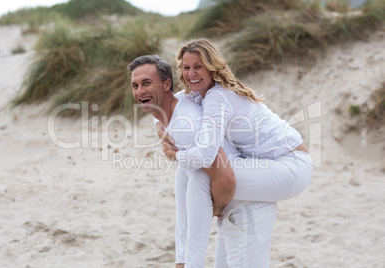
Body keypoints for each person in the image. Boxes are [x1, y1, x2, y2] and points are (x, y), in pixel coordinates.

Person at [158, 38, 313, 267]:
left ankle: (190, 263)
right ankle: (185, 258)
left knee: (199, 175)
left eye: (198, 67)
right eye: (187, 68)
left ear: (212, 67)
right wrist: (161, 127)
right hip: (270, 164)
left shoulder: (217, 97)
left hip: (289, 165)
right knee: (187, 173)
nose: (191, 73)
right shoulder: (203, 94)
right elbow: (171, 101)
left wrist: (177, 156)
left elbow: (207, 155)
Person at [127, 55, 239, 267]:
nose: (139, 91)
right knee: (186, 183)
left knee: (195, 183)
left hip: (234, 187)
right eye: (135, 85)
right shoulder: (172, 111)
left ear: (167, 84)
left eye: (147, 83)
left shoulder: (187, 125)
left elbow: (225, 176)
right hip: (214, 179)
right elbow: (184, 217)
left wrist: (217, 207)